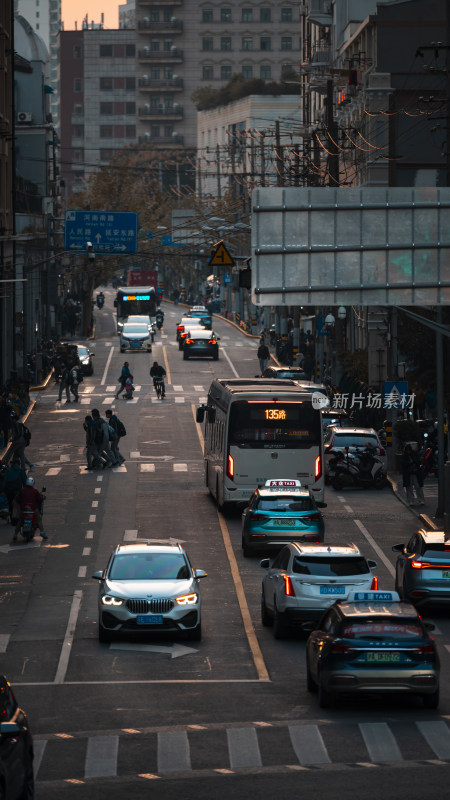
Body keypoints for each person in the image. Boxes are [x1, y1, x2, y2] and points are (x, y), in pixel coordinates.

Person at [13, 477, 47, 541]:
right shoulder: (35, 491)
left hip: (24, 509)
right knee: (39, 519)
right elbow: (40, 499)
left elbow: (17, 499)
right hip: (33, 509)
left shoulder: (22, 490)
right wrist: (42, 498)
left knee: (20, 521)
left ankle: (15, 534)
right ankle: (42, 532)